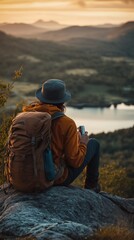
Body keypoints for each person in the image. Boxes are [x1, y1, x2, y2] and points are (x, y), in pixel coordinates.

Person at [23, 79, 101, 193]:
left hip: (23, 175)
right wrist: (83, 143)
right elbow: (75, 161)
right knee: (94, 144)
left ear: (41, 98)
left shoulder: (25, 116)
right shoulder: (66, 123)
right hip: (52, 178)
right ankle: (92, 187)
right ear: (62, 102)